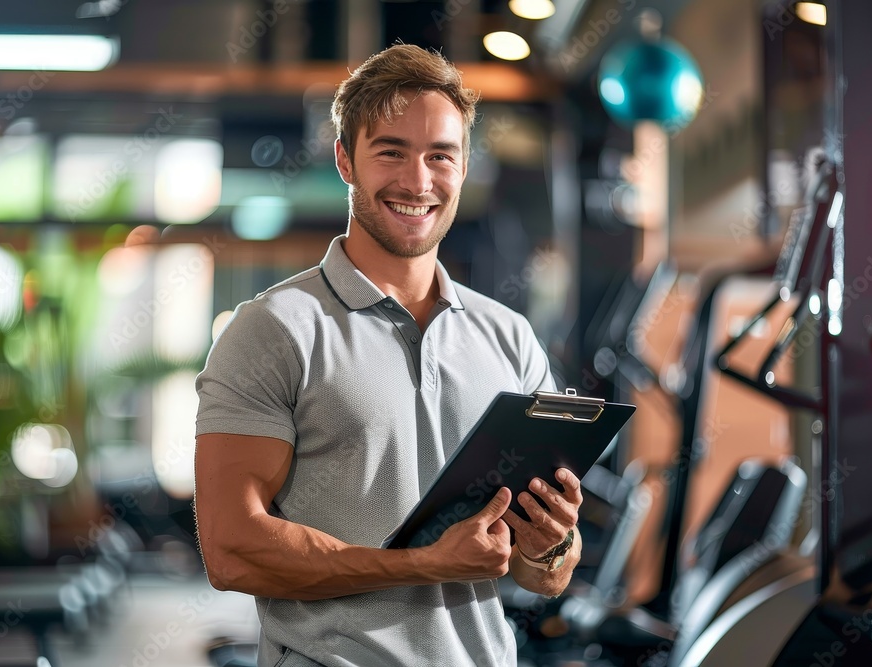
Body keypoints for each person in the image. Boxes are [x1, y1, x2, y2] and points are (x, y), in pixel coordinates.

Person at [194, 44, 583, 667]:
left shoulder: (510, 337)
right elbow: (231, 548)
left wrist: (549, 544)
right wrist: (424, 565)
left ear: (463, 166)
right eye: (391, 152)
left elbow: (548, 578)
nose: (418, 181)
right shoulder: (273, 329)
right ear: (346, 160)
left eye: (440, 156)